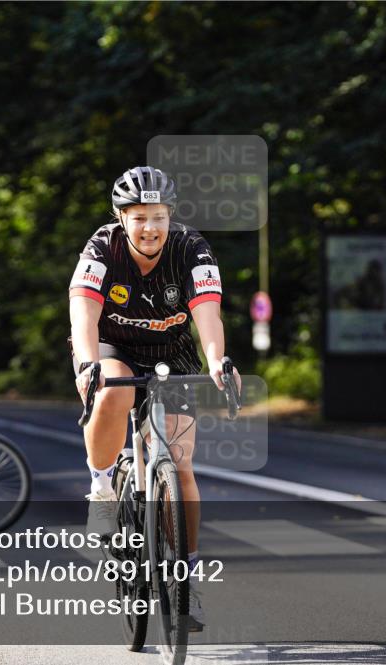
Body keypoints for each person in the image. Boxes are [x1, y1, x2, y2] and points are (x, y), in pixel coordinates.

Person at [68, 165, 240, 631]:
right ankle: (102, 489)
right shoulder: (101, 247)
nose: (150, 227)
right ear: (121, 218)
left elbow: (208, 314)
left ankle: (186, 582)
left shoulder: (192, 248)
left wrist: (217, 363)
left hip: (173, 353)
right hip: (112, 346)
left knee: (180, 464)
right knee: (112, 389)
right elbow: (82, 311)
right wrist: (87, 364)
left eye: (158, 216)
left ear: (171, 216)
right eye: (139, 217)